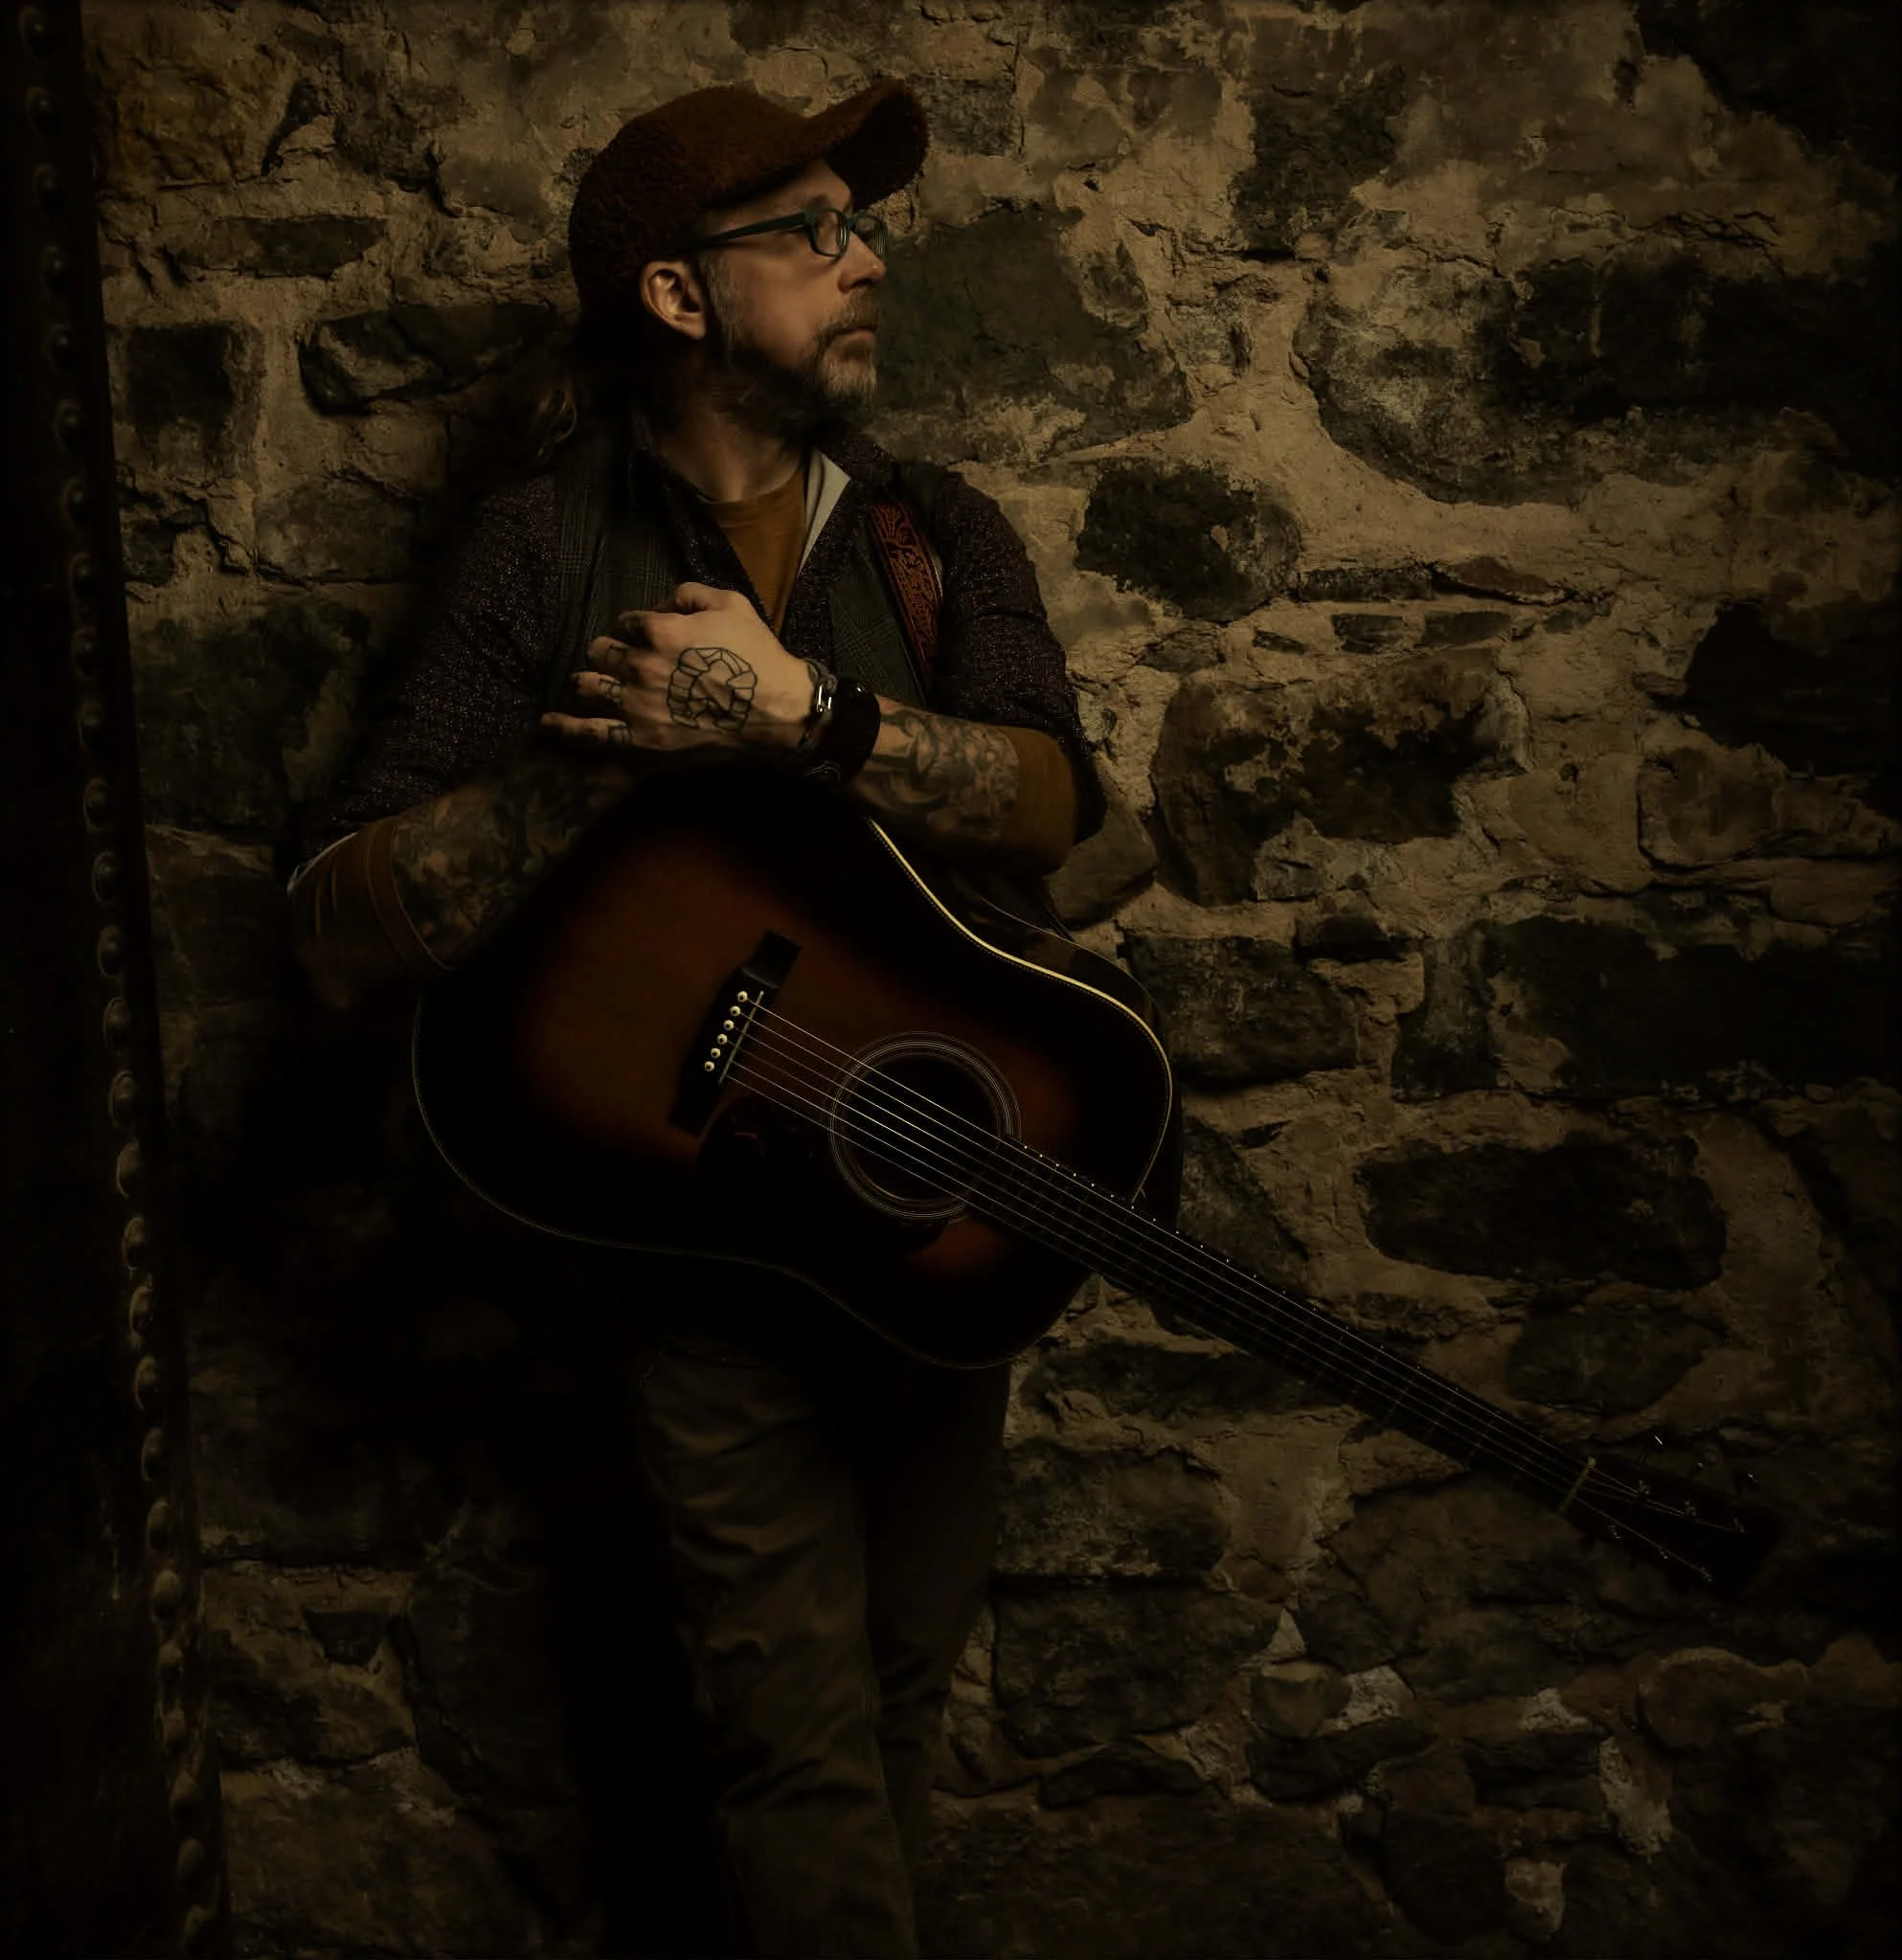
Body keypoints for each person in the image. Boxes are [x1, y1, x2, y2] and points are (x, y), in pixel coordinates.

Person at [290, 79, 1101, 1959]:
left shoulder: (934, 534)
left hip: (941, 1225)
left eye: (860, 221)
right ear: (676, 296)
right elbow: (326, 924)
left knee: (894, 1714)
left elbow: (1063, 800)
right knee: (793, 1751)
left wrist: (808, 722)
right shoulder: (528, 551)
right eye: (812, 230)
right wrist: (595, 775)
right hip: (708, 1261)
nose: (869, 256)